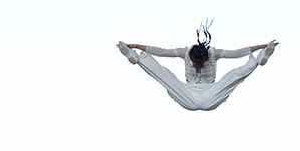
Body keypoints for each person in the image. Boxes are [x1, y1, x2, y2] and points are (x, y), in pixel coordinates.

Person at [117, 22, 279, 111]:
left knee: (234, 75)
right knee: (166, 78)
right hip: (187, 93)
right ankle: (137, 58)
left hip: (211, 92)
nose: (197, 65)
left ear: (207, 58)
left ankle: (259, 59)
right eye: (194, 62)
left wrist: (261, 46)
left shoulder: (215, 53)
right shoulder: (184, 52)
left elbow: (237, 53)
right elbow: (161, 51)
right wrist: (137, 45)